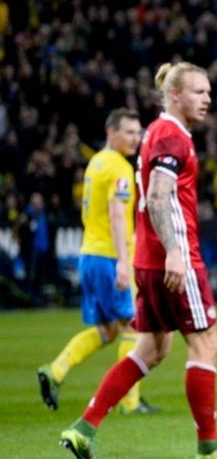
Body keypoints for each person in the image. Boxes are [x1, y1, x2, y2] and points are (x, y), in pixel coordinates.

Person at [59, 61, 217, 459]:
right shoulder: (170, 134)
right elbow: (162, 194)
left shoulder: (159, 132)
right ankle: (209, 446)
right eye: (199, 92)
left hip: (146, 258)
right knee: (206, 344)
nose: (208, 99)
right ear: (175, 94)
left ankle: (83, 427)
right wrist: (174, 252)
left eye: (208, 92)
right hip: (174, 255)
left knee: (150, 349)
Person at [37, 109, 159, 415]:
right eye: (129, 132)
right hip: (109, 257)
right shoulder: (119, 168)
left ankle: (56, 370)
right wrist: (122, 261)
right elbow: (118, 216)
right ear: (111, 132)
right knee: (134, 327)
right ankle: (130, 402)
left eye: (138, 132)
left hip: (89, 254)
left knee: (108, 329)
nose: (136, 138)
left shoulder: (96, 163)